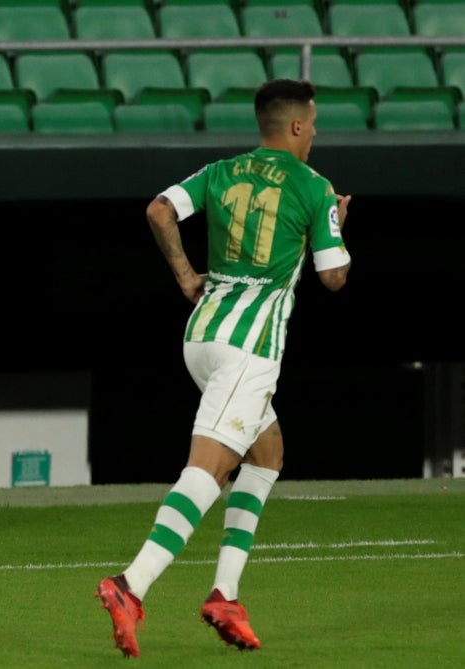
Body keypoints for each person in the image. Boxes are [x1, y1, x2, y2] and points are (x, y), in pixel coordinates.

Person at [95, 79, 352, 657]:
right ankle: (129, 586)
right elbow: (334, 277)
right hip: (248, 351)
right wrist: (334, 222)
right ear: (293, 126)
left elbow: (160, 210)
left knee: (266, 455)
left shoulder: (222, 170)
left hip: (202, 335)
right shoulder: (314, 187)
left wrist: (187, 275)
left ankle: (225, 594)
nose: (315, 133)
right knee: (207, 472)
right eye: (312, 124)